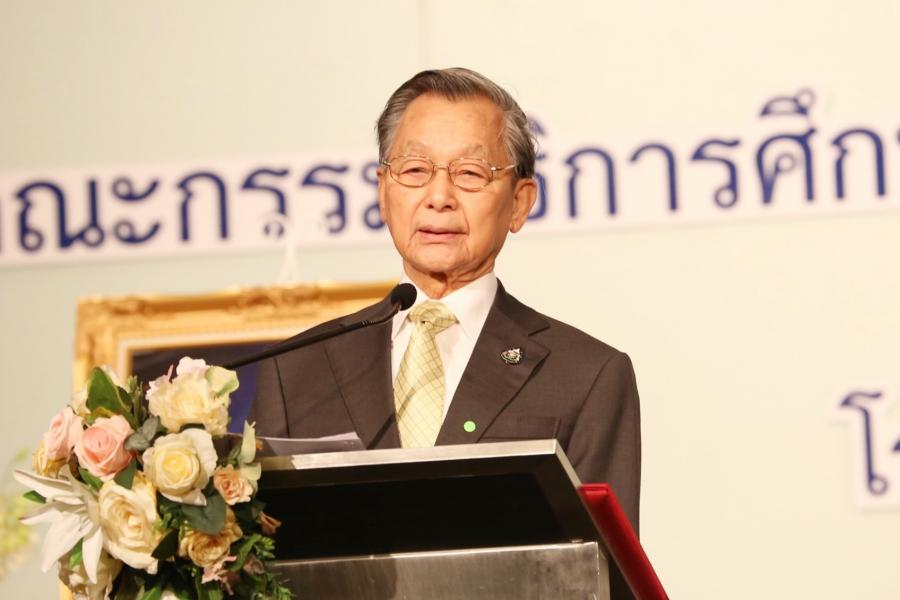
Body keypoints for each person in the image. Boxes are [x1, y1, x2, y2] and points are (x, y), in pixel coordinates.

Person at [250, 68, 641, 534]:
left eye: (470, 173)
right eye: (415, 170)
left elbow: (599, 562)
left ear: (519, 203)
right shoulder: (295, 372)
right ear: (383, 191)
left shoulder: (585, 376)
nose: (439, 197)